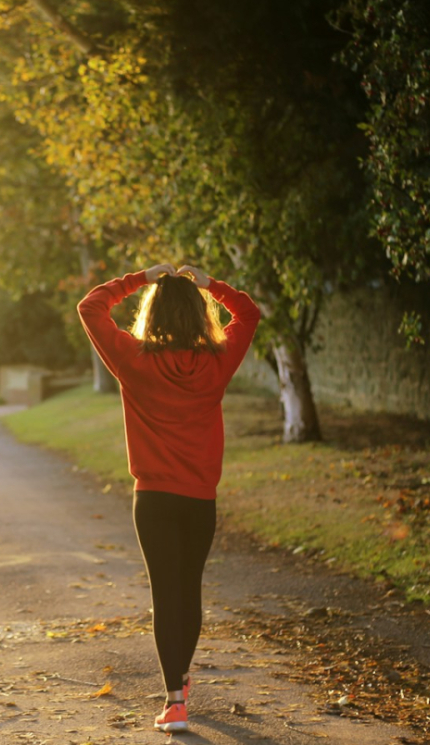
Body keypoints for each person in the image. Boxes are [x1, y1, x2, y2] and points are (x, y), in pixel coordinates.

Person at [77, 262, 261, 734]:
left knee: (166, 594)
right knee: (189, 590)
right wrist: (210, 285)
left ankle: (175, 700)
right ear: (200, 316)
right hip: (199, 499)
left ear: (152, 315)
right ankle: (179, 684)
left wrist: (140, 278)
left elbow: (90, 307)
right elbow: (249, 312)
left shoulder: (133, 359)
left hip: (154, 499)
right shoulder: (218, 361)